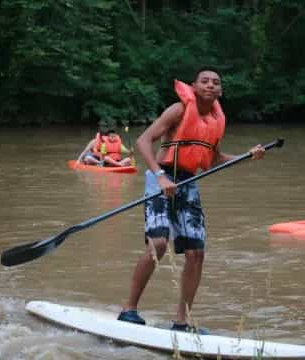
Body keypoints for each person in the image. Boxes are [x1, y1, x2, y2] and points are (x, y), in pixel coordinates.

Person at [117, 67, 265, 333]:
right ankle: (129, 310)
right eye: (205, 81)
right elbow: (143, 140)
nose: (210, 85)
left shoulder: (216, 121)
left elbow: (214, 159)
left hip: (187, 182)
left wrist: (247, 156)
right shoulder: (178, 110)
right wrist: (161, 177)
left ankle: (182, 323)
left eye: (216, 82)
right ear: (194, 86)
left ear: (220, 90)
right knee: (159, 244)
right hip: (160, 177)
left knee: (196, 253)